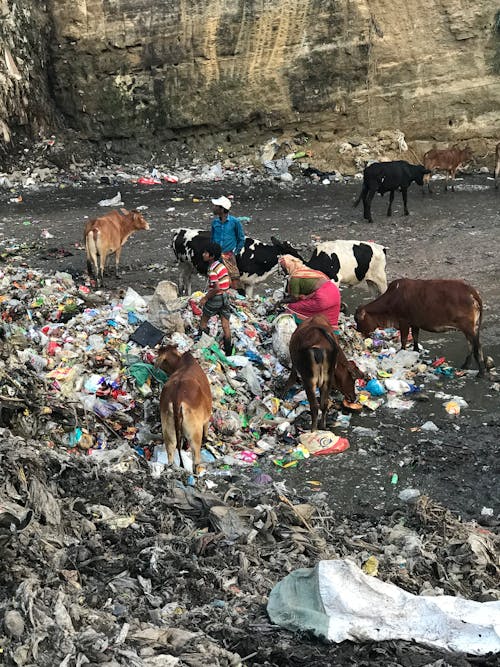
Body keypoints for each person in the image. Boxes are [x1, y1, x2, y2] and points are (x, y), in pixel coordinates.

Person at [278, 254, 341, 328]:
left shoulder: (295, 277)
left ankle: (299, 327)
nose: (282, 270)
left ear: (288, 267)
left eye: (283, 268)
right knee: (329, 313)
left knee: (292, 307)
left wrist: (281, 301)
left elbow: (294, 298)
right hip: (335, 293)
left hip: (322, 298)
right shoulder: (308, 271)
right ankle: (331, 329)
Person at [198, 242, 233, 356]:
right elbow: (229, 281)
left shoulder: (212, 269)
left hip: (216, 297)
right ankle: (228, 351)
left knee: (204, 320)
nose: (203, 254)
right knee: (225, 324)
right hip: (226, 296)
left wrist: (205, 298)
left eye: (206, 253)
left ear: (211, 256)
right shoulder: (221, 265)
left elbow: (216, 288)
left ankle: (201, 345)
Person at [210, 196, 246, 294]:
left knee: (234, 280)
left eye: (216, 206)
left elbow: (241, 238)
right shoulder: (215, 222)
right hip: (217, 256)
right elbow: (212, 239)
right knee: (217, 279)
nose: (213, 208)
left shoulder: (235, 222)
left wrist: (235, 252)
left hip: (229, 255)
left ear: (222, 209)